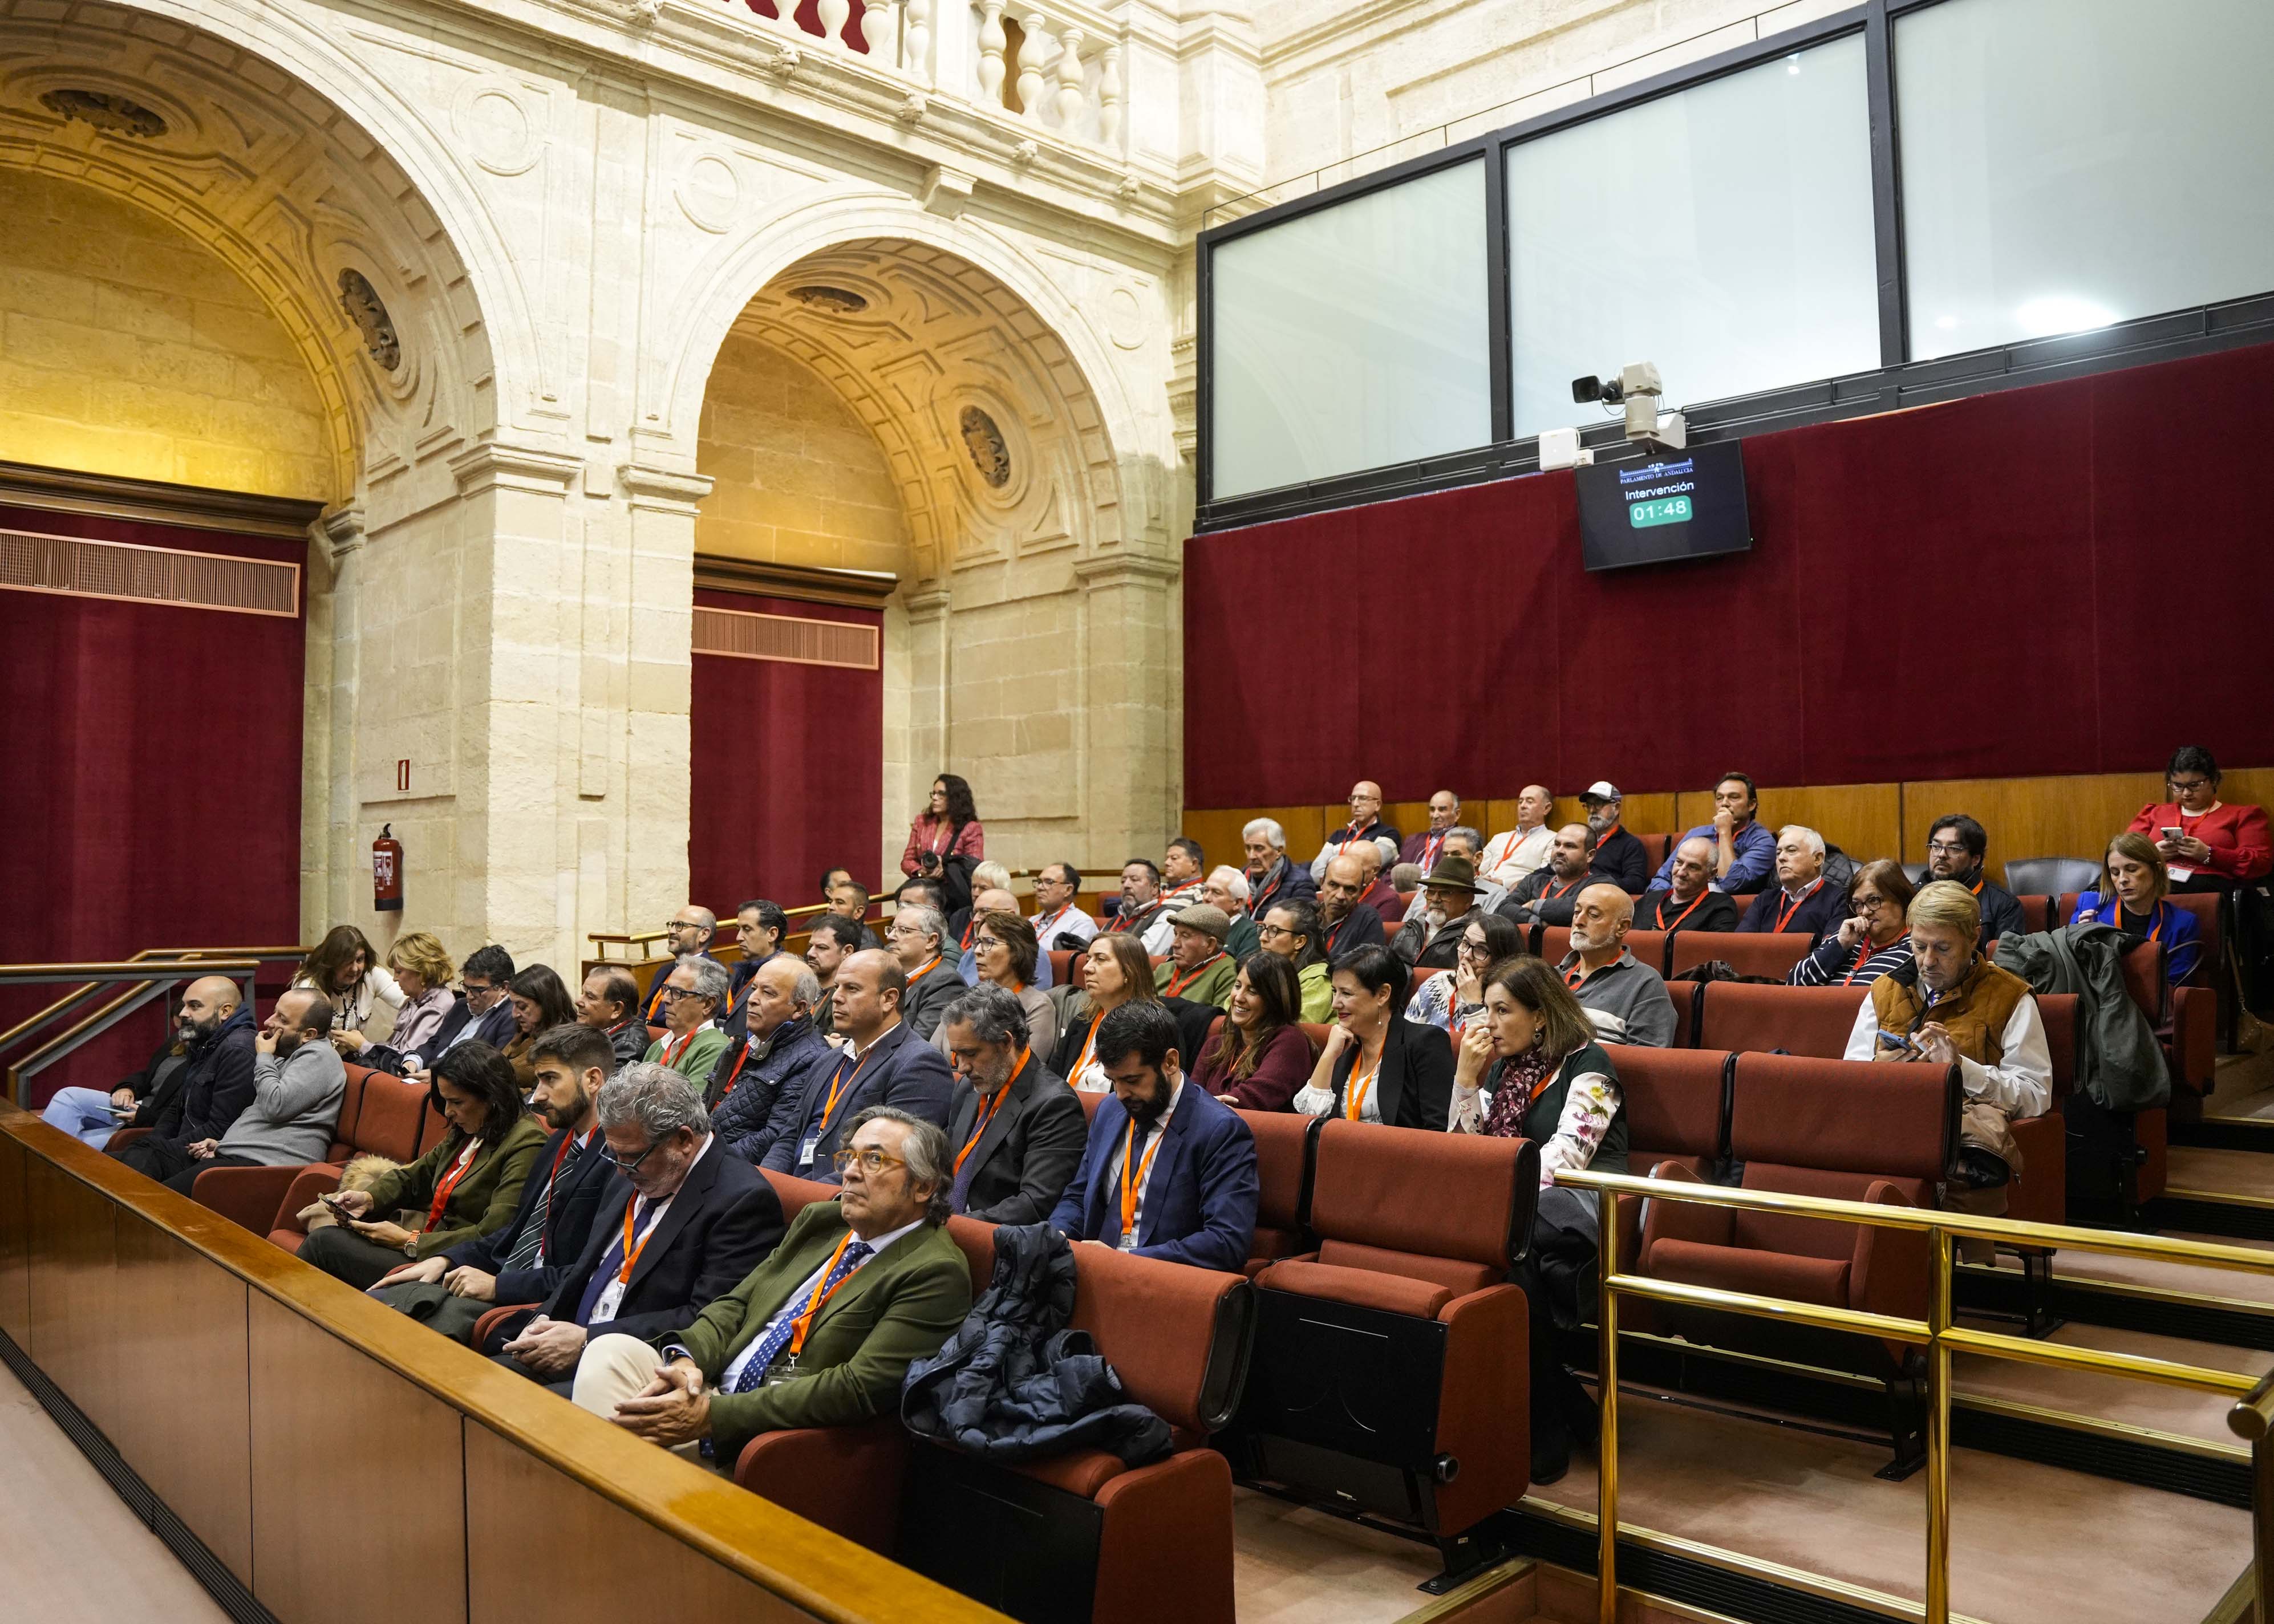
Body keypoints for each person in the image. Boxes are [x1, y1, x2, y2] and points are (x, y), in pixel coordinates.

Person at [573, 1107, 972, 1465]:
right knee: (609, 1352)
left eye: (874, 1160)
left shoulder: (935, 1271)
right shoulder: (822, 1222)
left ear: (923, 1187)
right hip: (708, 1387)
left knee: (608, 1443)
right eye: (848, 1156)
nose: (850, 1171)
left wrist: (712, 1418)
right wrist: (686, 1362)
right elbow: (736, 1304)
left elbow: (857, 1388)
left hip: (767, 1428)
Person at [486, 1062, 786, 1391]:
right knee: (474, 1385)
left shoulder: (743, 1201)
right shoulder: (634, 1167)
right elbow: (585, 1271)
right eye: (613, 1154)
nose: (619, 1171)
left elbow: (706, 1318)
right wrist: (545, 1319)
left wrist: (587, 1341)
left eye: (629, 1157)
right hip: (568, 1344)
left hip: (636, 1370)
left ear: (683, 1140)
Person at [1449, 956, 1626, 1482]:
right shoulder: (1508, 1066)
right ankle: (1560, 1406)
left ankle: (1549, 1422)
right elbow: (1464, 1150)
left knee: (1504, 1248)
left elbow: (1567, 1159)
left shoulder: (1592, 1064)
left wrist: (1491, 1197)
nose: (1489, 1025)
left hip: (1582, 1205)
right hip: (1517, 1207)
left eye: (1502, 1011)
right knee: (1508, 1261)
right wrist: (1463, 1078)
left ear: (1541, 1015)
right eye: (1486, 1011)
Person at [368, 1023, 616, 1347]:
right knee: (378, 1304)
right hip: (500, 1272)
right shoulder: (558, 1145)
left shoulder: (615, 1160)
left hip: (542, 1303)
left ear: (593, 1080)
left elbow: (588, 1272)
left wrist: (500, 1286)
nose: (538, 1095)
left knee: (409, 1335)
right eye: (538, 1080)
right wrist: (448, 1259)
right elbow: (514, 1232)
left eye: (550, 1079)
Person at [1845, 882, 2050, 1214]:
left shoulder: (2011, 997)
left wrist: (1963, 1069)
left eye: (1942, 948)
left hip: (1955, 1142)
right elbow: (1847, 1080)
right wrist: (1881, 1071)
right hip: (1885, 1128)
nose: (1928, 961)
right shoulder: (1884, 990)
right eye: (1919, 945)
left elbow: (2036, 1097)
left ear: (1973, 939)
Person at [300, 1041, 546, 1289]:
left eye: (457, 1102)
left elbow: (493, 1234)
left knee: (324, 1243)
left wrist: (410, 1241)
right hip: (428, 1242)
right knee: (328, 1223)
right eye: (446, 1101)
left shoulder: (526, 1142)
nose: (448, 1112)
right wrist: (368, 1198)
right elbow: (416, 1176)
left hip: (455, 1266)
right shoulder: (471, 1127)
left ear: (491, 1096)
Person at [1048, 1002, 1258, 1272]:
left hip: (1161, 1284)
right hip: (1091, 1272)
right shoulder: (1110, 1110)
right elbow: (1078, 1197)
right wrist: (1059, 1235)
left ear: (1170, 1062)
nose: (1121, 1093)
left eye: (1133, 1081)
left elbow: (1227, 1242)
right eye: (1113, 1080)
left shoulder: (1220, 1131)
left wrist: (1126, 1260)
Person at [763, 950, 955, 1180]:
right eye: (837, 987)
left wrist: (799, 1196)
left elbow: (883, 1164)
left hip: (840, 1200)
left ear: (889, 999)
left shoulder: (920, 1064)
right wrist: (767, 1184)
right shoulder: (826, 1061)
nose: (836, 997)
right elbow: (789, 1137)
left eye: (851, 989)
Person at [160, 989, 346, 1195]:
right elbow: (264, 1120)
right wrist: (224, 1145)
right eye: (275, 1012)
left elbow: (275, 1106)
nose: (268, 1021)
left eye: (282, 1019)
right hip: (242, 1158)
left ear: (308, 1035)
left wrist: (265, 1057)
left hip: (269, 1169)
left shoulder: (320, 1057)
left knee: (157, 1202)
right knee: (151, 1174)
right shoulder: (290, 1054)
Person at [939, 985, 1087, 1223]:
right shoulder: (968, 1088)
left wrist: (955, 1227)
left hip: (990, 1242)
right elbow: (945, 1165)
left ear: (1006, 1042)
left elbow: (1034, 1204)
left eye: (971, 1054)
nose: (962, 1067)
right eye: (957, 1055)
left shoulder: (1054, 1105)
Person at [108, 976, 257, 1185]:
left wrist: (160, 1150)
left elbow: (222, 1127)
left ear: (225, 1011)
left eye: (194, 1006)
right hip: (181, 1147)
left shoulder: (239, 1050)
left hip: (205, 1156)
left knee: (131, 1162)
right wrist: (156, 1143)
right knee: (97, 1167)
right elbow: (175, 1110)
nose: (183, 1013)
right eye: (185, 1005)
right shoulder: (205, 1041)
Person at [1294, 944, 1453, 1130]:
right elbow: (1309, 1124)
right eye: (1334, 992)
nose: (1335, 1003)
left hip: (1397, 1157)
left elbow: (1438, 1131)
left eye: (1346, 993)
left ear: (1383, 995)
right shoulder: (1343, 1046)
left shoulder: (1425, 1043)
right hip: (1338, 1155)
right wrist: (1329, 1055)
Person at [708, 957, 836, 1164]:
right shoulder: (742, 1043)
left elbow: (774, 1137)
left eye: (768, 993)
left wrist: (707, 1159)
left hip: (734, 1168)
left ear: (798, 1009)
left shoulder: (810, 1059)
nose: (752, 999)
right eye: (755, 989)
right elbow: (706, 1104)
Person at [40, 1007, 193, 1151]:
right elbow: (147, 1075)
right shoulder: (178, 1041)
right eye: (178, 1028)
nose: (180, 1034)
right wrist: (128, 1088)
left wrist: (144, 1116)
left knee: (70, 1145)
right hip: (137, 1104)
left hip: (155, 1122)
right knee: (68, 1096)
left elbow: (189, 1115)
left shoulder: (207, 1059)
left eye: (183, 1028)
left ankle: (40, 1165)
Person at [2070, 833, 2205, 985]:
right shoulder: (2090, 905)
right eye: (2115, 873)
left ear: (2156, 870)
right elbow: (2070, 968)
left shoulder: (2183, 924)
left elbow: (2176, 985)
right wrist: (2079, 939)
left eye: (2132, 869)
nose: (2122, 879)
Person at [2130, 746, 2271, 889]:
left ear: (2214, 780)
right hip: (2155, 888)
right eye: (2178, 786)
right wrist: (2153, 856)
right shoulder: (2154, 813)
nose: (2186, 793)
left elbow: (2260, 864)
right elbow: (2122, 854)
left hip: (2211, 890)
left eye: (2194, 785)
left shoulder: (2242, 815)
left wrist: (2209, 854)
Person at [1557, 885, 1676, 1048]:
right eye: (1577, 912)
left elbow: (1646, 1061)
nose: (1579, 921)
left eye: (1593, 915)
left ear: (1622, 928)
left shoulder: (1645, 982)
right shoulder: (1550, 976)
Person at [1190, 953, 1312, 1111]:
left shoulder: (1290, 1041)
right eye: (1238, 986)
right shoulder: (1215, 1045)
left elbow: (1254, 1100)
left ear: (1274, 999)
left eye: (1253, 991)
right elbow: (1190, 1098)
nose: (1239, 997)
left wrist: (1205, 1107)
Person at [1048, 934, 1162, 1091]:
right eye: (1088, 959)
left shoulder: (1152, 1030)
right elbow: (1052, 1080)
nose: (1086, 968)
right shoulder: (1081, 1023)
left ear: (1129, 972)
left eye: (1100, 959)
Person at [391, 944, 517, 1078]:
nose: (469, 995)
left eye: (478, 990)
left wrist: (439, 1078)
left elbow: (490, 1070)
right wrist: (414, 1061)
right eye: (467, 988)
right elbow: (434, 1043)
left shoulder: (511, 1017)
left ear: (504, 988)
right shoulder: (461, 1007)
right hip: (427, 1076)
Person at [335, 933, 453, 1067]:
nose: (395, 978)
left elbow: (407, 1061)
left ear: (421, 972)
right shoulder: (415, 1000)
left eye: (399, 972)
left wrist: (362, 1045)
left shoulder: (437, 1007)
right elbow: (392, 1046)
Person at [1794, 860, 1917, 987]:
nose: (1864, 912)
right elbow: (1792, 985)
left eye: (1874, 900)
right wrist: (1840, 946)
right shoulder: (1844, 938)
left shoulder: (1918, 947)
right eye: (1858, 904)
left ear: (1901, 899)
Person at [1649, 772, 1776, 895]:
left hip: (1721, 909)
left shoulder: (1763, 841)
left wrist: (1724, 831)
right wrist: (1665, 902)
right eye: (1720, 798)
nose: (1724, 803)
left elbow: (1730, 884)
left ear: (1752, 805)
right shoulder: (1696, 834)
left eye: (1734, 797)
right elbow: (1661, 878)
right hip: (1679, 903)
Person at [1405, 914, 1525, 1037]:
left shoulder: (1508, 1001)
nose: (1467, 955)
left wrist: (1474, 1003)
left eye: (1481, 949)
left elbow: (1489, 1051)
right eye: (1465, 943)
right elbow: (1404, 1041)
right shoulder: (1436, 983)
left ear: (1502, 958)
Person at [958, 910, 1059, 1055]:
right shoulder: (968, 998)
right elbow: (935, 1049)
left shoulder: (1037, 1006)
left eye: (989, 942)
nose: (978, 951)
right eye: (978, 943)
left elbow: (1026, 1068)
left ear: (1017, 952)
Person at [290, 925, 405, 1050]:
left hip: (353, 1057)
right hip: (313, 1057)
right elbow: (296, 1036)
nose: (355, 969)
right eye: (348, 961)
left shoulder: (371, 975)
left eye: (360, 960)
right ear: (332, 962)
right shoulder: (309, 985)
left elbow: (409, 999)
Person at [1922, 814, 2024, 947]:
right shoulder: (1911, 896)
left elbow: (2006, 961)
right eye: (1936, 846)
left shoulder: (2005, 905)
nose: (1941, 854)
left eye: (1954, 849)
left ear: (1975, 859)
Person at [1736, 826, 1846, 944]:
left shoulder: (1840, 900)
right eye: (1778, 853)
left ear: (1817, 859)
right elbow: (1739, 945)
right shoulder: (1765, 899)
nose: (1782, 858)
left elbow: (1831, 951)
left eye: (1792, 851)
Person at [643, 957, 733, 1082]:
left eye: (677, 992)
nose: (666, 999)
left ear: (708, 1004)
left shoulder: (716, 1049)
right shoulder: (658, 1046)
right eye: (667, 989)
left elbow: (691, 1101)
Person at [1389, 854, 1487, 969]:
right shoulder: (1411, 928)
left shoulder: (1478, 936)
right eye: (1431, 892)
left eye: (1445, 893)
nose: (1435, 899)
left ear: (1468, 901)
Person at [885, 903, 966, 1039]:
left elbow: (919, 1043)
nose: (891, 937)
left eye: (903, 930)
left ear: (931, 941)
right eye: (892, 929)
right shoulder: (889, 974)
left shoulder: (946, 982)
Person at [718, 899, 790, 1050]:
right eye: (738, 929)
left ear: (772, 934)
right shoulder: (738, 974)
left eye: (747, 929)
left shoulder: (785, 976)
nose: (738, 937)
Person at [1497, 825, 1596, 928]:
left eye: (1570, 846)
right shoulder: (1533, 881)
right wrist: (1538, 923)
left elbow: (1574, 908)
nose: (1559, 851)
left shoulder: (1599, 885)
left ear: (1590, 856)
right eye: (1557, 845)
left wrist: (1533, 905)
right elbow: (1503, 909)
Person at [1636, 836, 1742, 932]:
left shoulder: (1720, 907)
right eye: (1679, 862)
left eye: (1693, 867)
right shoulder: (1649, 900)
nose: (1681, 872)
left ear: (1711, 874)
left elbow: (1715, 951)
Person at [1258, 898, 1335, 1022]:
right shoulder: (1259, 969)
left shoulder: (1318, 979)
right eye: (1263, 928)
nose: (1263, 937)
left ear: (1299, 942)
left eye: (1274, 931)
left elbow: (1297, 1029)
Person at [1310, 781, 1402, 882]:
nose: (1356, 804)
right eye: (1353, 799)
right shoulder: (1338, 836)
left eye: (1363, 798)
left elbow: (1366, 869)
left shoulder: (1389, 834)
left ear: (1378, 805)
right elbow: (1315, 874)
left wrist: (1332, 862)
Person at [641, 908, 719, 1023]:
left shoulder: (712, 975)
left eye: (680, 925)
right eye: (672, 925)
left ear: (704, 934)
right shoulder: (664, 970)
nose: (671, 931)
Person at [505, 965, 577, 1089]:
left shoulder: (564, 1044)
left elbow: (549, 1092)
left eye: (522, 1006)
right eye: (514, 1005)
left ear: (546, 1004)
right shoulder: (526, 1031)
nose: (514, 1014)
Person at [902, 772, 985, 877]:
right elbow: (907, 860)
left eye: (941, 794)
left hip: (950, 888)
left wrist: (946, 868)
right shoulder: (921, 822)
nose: (935, 798)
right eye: (934, 793)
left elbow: (975, 866)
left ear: (956, 798)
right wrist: (920, 872)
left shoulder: (971, 828)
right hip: (923, 883)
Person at [1154, 904, 1239, 1008]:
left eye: (1185, 936)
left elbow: (1222, 1021)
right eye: (1176, 934)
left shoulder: (1229, 974)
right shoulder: (1164, 969)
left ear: (1210, 944)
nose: (1174, 944)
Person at [1575, 783, 1650, 894]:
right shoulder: (1580, 840)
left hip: (1600, 898)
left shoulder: (1630, 844)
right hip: (1571, 893)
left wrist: (1596, 884)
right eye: (1589, 805)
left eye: (1598, 804)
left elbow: (1636, 883)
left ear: (1617, 808)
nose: (1592, 811)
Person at [1479, 785, 1556, 890]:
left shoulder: (1553, 840)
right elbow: (1479, 867)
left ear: (1546, 808)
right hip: (1483, 889)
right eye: (1520, 802)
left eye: (1530, 802)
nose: (1523, 806)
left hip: (1514, 892)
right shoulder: (1499, 838)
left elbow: (1543, 876)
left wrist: (1504, 883)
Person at [805, 915, 867, 1038]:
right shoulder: (803, 988)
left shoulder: (850, 999)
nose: (810, 953)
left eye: (821, 948)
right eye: (810, 946)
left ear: (847, 952)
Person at [576, 965, 648, 1069]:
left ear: (617, 1009)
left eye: (590, 997)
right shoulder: (591, 1028)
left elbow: (606, 1085)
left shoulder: (628, 1046)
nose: (578, 1001)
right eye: (582, 994)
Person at [1243, 817, 1318, 918]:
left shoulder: (1300, 882)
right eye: (1248, 848)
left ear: (1279, 851)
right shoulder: (1239, 878)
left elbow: (1304, 924)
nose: (1251, 856)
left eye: (1259, 848)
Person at [1316, 852, 1387, 956]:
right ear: (1322, 883)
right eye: (1333, 885)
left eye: (1350, 889)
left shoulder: (1368, 919)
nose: (1340, 896)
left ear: (1361, 891)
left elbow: (1367, 968)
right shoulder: (1306, 914)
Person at [1109, 858, 1175, 953]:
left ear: (1154, 888)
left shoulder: (1166, 918)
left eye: (1134, 880)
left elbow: (1140, 958)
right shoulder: (1114, 921)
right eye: (1123, 881)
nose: (1126, 885)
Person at [1031, 861, 1097, 953]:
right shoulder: (1032, 921)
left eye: (1049, 882)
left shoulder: (1082, 923)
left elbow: (1068, 963)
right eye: (1039, 882)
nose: (1039, 887)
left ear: (1068, 890)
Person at [1201, 866, 1262, 959]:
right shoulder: (1193, 924)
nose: (1206, 898)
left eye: (1216, 893)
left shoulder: (1250, 932)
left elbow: (1243, 971)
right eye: (1206, 890)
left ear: (1237, 903)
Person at [1401, 791, 1463, 871]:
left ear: (1457, 814)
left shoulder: (1462, 843)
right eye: (1432, 810)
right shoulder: (1412, 840)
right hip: (1407, 883)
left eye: (1442, 810)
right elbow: (1392, 871)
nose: (1435, 816)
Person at [824, 879, 883, 951]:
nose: (831, 907)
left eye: (840, 903)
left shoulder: (867, 948)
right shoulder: (834, 933)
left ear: (858, 912)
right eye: (831, 902)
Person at [1161, 837, 1208, 911]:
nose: (1167, 863)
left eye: (1174, 858)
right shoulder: (1157, 888)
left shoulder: (1203, 892)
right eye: (1167, 858)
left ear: (1194, 864)